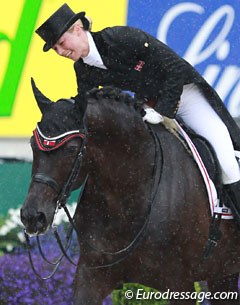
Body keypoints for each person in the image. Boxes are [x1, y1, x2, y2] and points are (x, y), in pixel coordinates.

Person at [35, 3, 240, 224]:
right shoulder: (83, 69)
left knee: (226, 161)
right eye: (56, 48)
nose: (61, 51)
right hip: (148, 108)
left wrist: (164, 111)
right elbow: (85, 106)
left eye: (61, 43)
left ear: (77, 29)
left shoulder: (120, 37)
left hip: (185, 98)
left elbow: (176, 68)